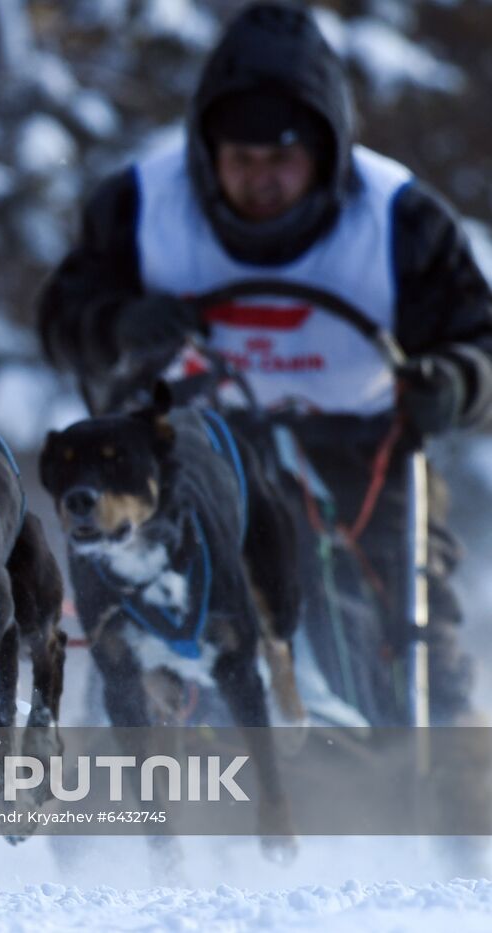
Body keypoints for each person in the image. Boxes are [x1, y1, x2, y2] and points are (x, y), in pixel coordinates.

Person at [37, 3, 492, 735]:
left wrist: (455, 384)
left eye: (282, 159)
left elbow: (482, 344)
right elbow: (62, 320)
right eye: (242, 160)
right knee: (138, 589)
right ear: (206, 153)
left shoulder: (398, 220)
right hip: (195, 450)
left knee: (420, 631)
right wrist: (118, 322)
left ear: (325, 150)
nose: (262, 180)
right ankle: (126, 792)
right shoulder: (141, 206)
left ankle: (439, 806)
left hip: (364, 457)